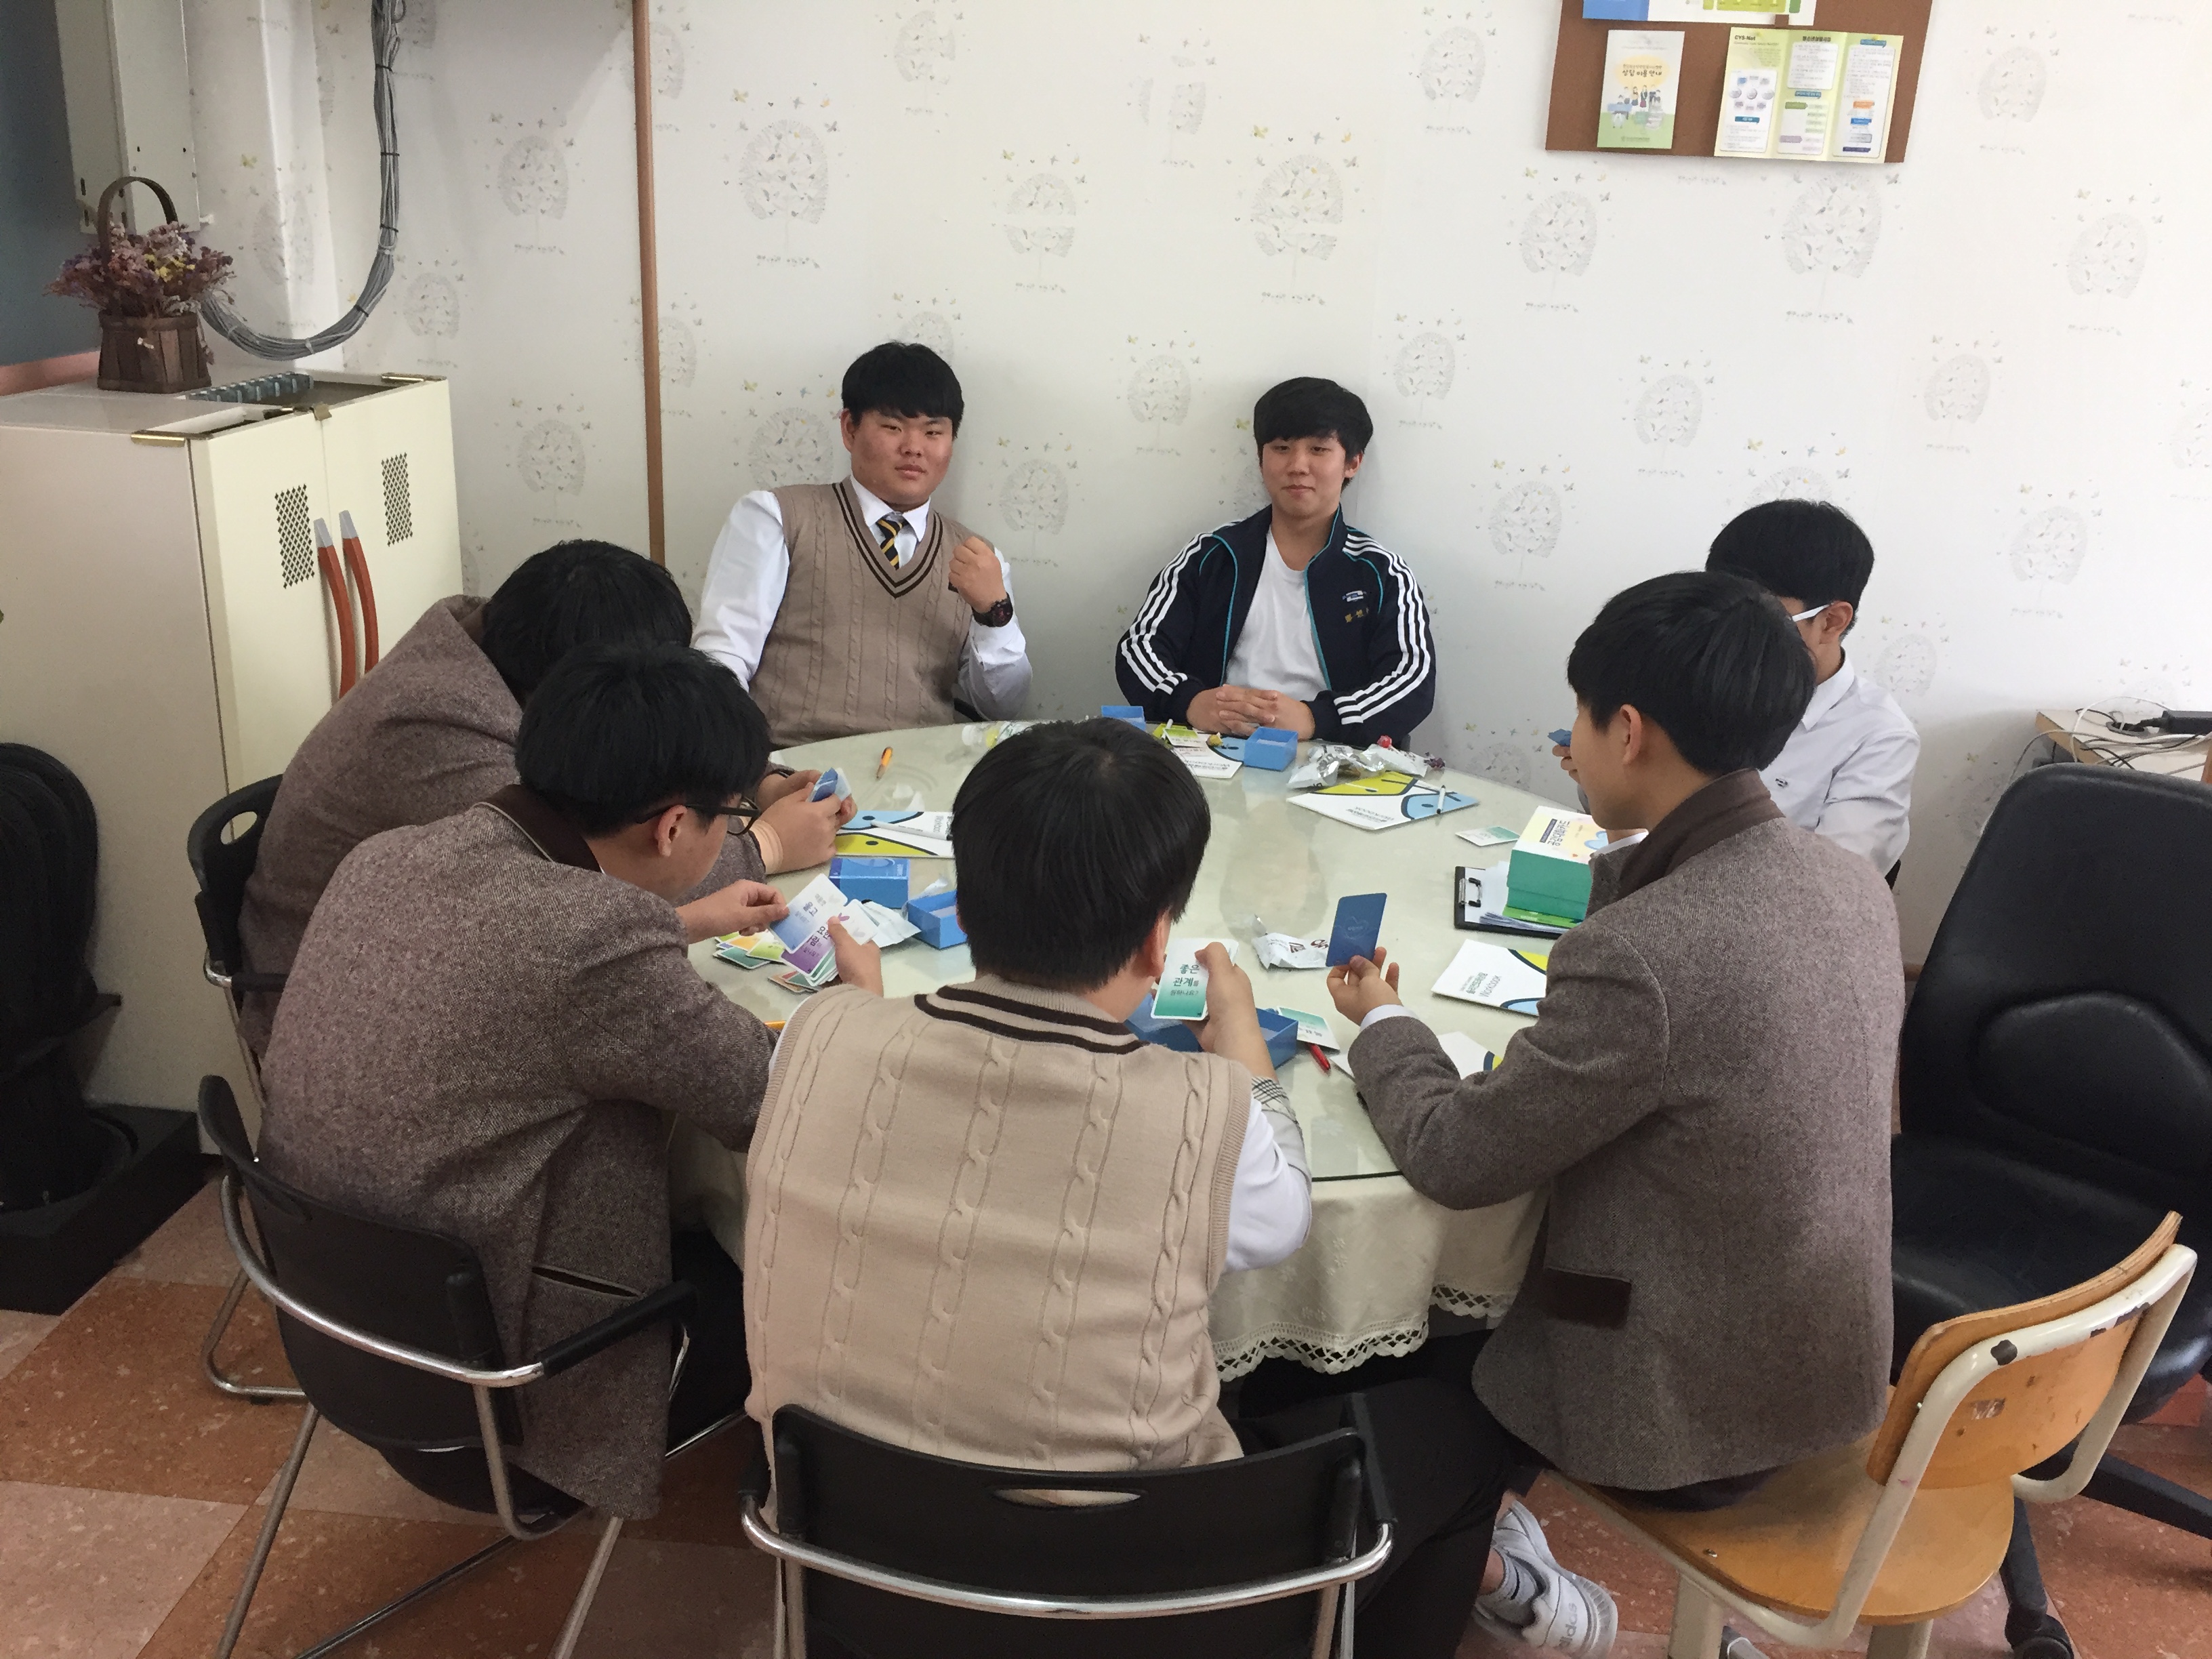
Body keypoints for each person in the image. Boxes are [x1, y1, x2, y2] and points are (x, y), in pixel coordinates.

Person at [745, 718, 1507, 1659]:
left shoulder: (814, 1040)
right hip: (1125, 1596)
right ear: (1157, 944)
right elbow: (1282, 1218)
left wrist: (856, 1009)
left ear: (963, 908)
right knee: (1457, 1434)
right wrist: (1238, 1042)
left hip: (848, 1562)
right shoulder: (1203, 1112)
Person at [1330, 571, 1902, 1654]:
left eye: (1580, 721)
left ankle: (1496, 1570)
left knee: (1389, 1367)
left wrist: (1384, 1025)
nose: (1575, 746)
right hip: (1819, 1364)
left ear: (1628, 731)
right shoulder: (1846, 882)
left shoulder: (1646, 957)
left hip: (1684, 1409)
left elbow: (1454, 1154)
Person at [258, 644, 872, 1521]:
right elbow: (773, 1106)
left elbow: (506, 954)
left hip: (341, 1333)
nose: (730, 835)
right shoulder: (595, 940)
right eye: (728, 818)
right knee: (785, 1256)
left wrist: (669, 922)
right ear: (672, 827)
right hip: (506, 1399)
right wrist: (856, 1010)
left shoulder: (388, 854)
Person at [237, 539, 850, 1057]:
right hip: (355, 1026)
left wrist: (754, 780)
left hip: (415, 970)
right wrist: (765, 845)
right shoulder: (442, 736)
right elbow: (598, 881)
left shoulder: (495, 644)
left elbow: (657, 746)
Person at [693, 341, 1031, 743]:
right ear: (849, 429)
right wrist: (753, 769)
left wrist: (994, 614)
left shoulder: (979, 558)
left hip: (924, 772)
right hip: (793, 764)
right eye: (893, 427)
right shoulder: (776, 518)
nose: (914, 447)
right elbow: (722, 663)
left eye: (933, 432)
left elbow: (1002, 708)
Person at [1115, 377, 1435, 745]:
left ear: (1352, 463)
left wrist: (1316, 718)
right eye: (1281, 448)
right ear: (1261, 458)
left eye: (1318, 449)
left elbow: (1413, 681)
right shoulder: (1212, 555)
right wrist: (1190, 702)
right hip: (1213, 749)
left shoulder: (1381, 573)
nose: (1297, 465)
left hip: (1333, 758)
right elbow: (1139, 648)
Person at [1706, 499, 1919, 873]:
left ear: (1831, 621)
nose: (1730, 635)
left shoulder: (1879, 738)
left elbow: (1831, 884)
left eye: (1754, 617)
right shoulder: (1701, 678)